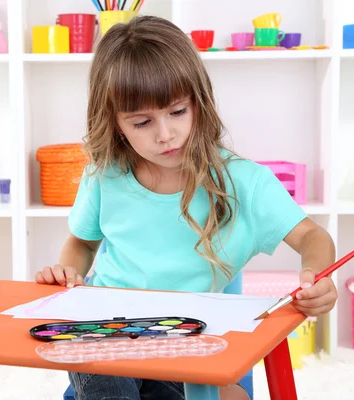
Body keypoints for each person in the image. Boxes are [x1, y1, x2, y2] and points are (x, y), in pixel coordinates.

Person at [35, 15, 337, 400]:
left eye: (177, 112)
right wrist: (69, 277)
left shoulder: (242, 181)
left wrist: (318, 275)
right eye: (143, 121)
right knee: (103, 371)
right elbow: (82, 244)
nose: (166, 135)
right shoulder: (104, 175)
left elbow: (312, 235)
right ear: (115, 124)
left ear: (199, 101)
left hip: (185, 343)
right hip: (106, 338)